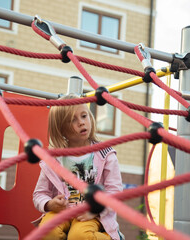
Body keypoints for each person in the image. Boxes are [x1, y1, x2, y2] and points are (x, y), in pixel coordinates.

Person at [32, 94, 124, 240]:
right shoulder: (54, 159)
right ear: (61, 129)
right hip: (63, 212)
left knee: (79, 235)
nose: (81, 123)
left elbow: (115, 192)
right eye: (72, 120)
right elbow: (39, 193)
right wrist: (50, 204)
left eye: (83, 116)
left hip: (91, 213)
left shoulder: (105, 154)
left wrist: (96, 210)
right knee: (47, 231)